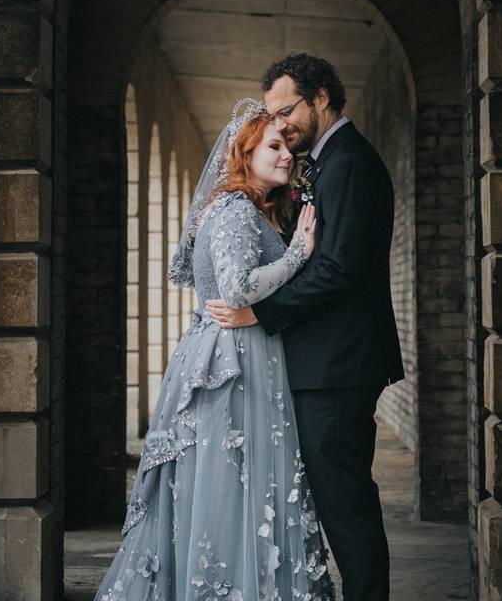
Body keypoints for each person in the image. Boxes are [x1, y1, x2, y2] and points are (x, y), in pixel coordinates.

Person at [93, 100, 335, 601]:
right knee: (227, 484)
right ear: (242, 152)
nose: (287, 155)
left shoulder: (254, 211)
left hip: (246, 354)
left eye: (288, 145)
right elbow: (237, 288)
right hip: (228, 365)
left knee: (247, 486)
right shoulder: (233, 210)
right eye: (273, 145)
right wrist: (297, 255)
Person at [205, 54, 404, 601]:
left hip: (338, 367)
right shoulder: (325, 162)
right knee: (337, 500)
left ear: (320, 98)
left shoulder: (350, 164)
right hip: (324, 364)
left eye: (287, 110)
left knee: (346, 504)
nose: (281, 123)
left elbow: (339, 269)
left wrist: (259, 314)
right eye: (272, 114)